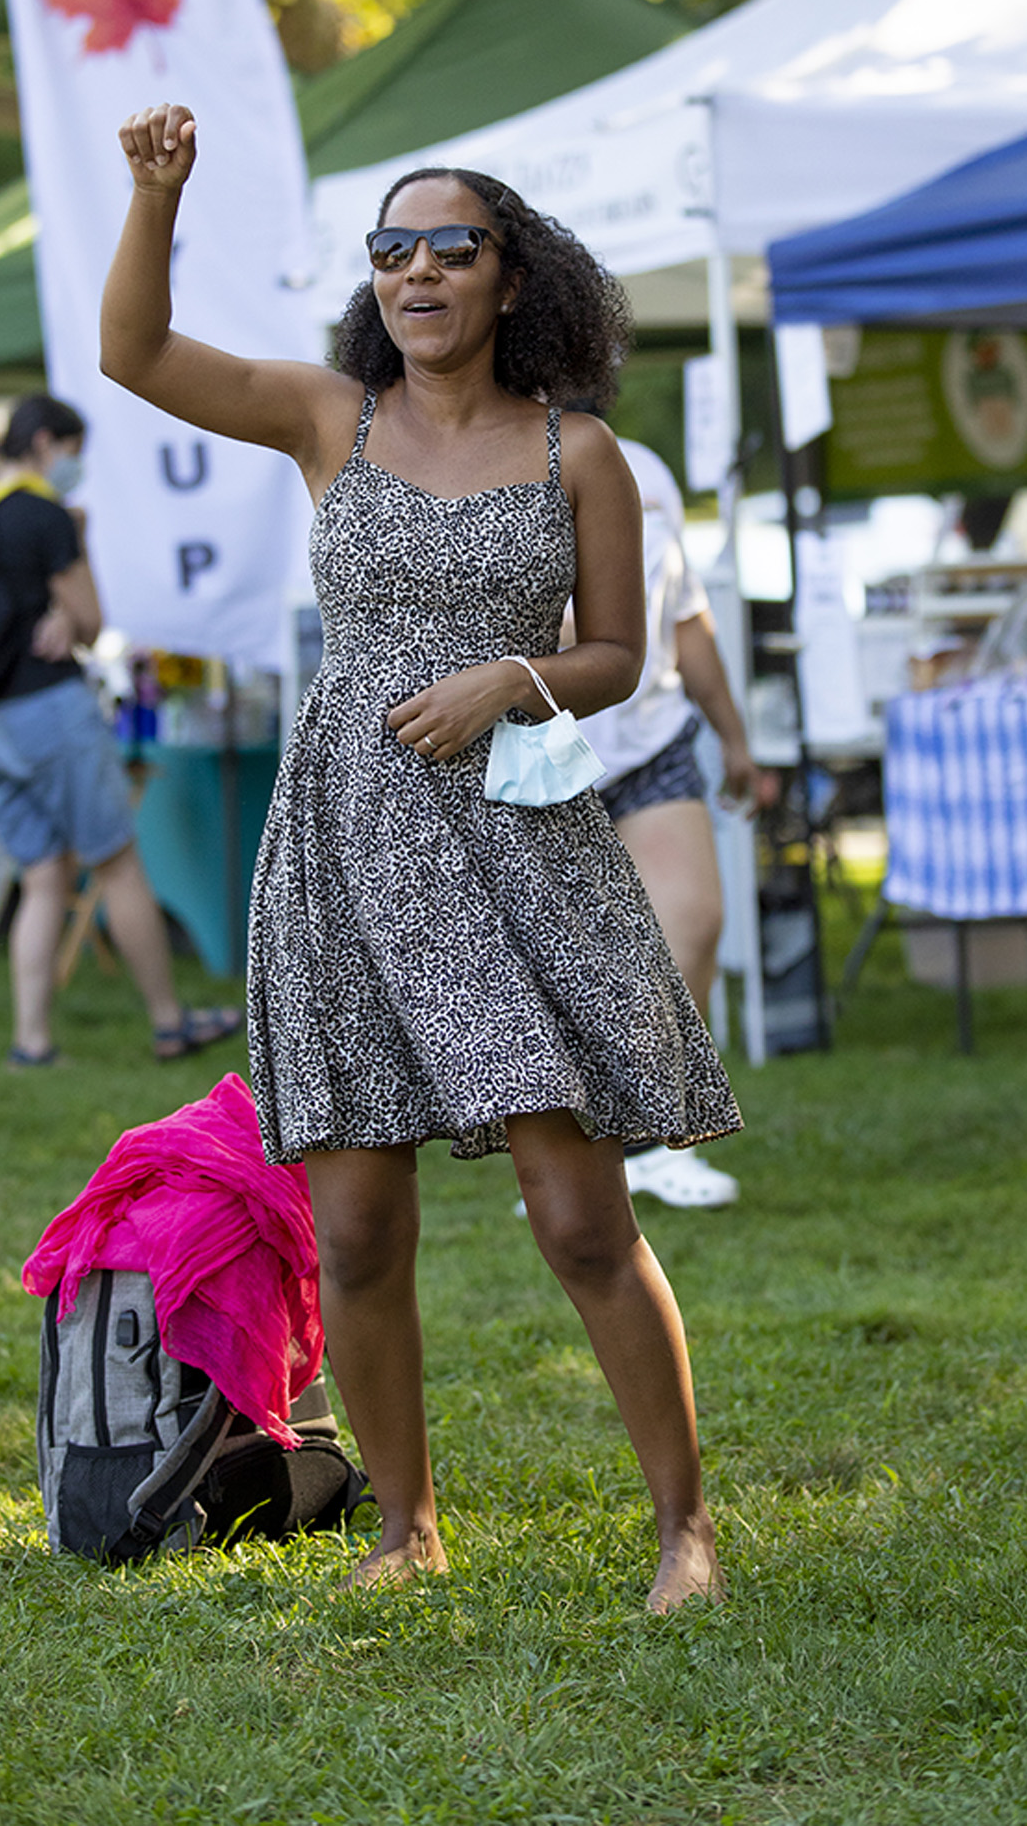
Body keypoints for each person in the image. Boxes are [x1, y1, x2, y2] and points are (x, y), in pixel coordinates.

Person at [102, 105, 741, 1611]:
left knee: (582, 1218)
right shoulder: (333, 417)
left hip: (519, 847)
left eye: (450, 247)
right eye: (392, 252)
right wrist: (155, 200)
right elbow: (135, 354)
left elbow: (612, 654)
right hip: (344, 841)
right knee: (359, 1223)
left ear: (511, 278)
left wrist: (504, 681)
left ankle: (684, 1533)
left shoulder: (578, 453)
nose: (417, 273)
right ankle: (406, 1529)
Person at [0, 394, 240, 1071]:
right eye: (74, 451)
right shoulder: (44, 516)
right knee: (116, 863)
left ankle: (31, 1042)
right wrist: (67, 603)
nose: (76, 465)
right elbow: (91, 619)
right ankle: (170, 1023)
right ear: (49, 443)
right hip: (49, 713)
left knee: (42, 876)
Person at [579, 434, 775, 1211]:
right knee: (578, 966)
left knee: (691, 922)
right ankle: (587, 1161)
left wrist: (732, 737)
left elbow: (686, 617)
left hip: (651, 736)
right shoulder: (482, 461)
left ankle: (661, 1143)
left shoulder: (642, 464)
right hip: (539, 750)